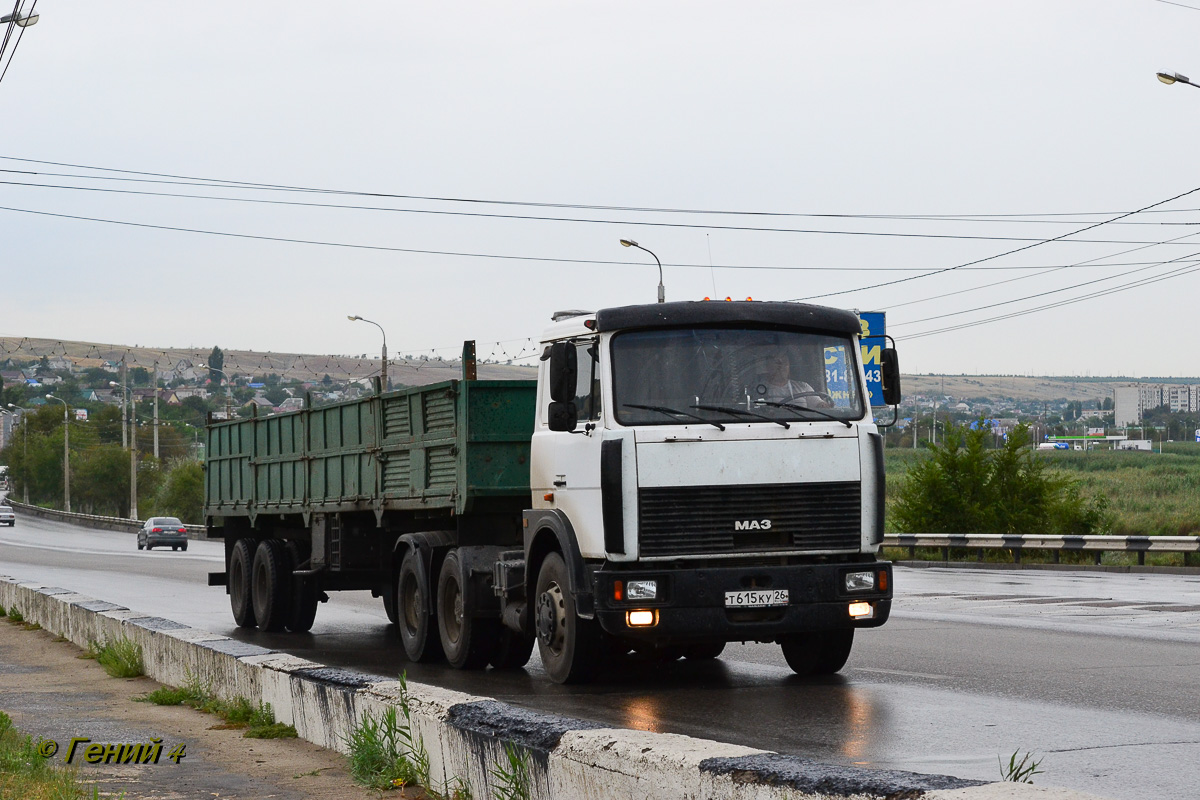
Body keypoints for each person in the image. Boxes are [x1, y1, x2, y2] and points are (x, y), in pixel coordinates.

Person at [755, 352, 830, 408]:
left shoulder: (803, 387)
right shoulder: (758, 389)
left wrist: (824, 406)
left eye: (785, 363)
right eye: (777, 363)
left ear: (789, 367)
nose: (781, 367)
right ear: (768, 367)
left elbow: (819, 404)